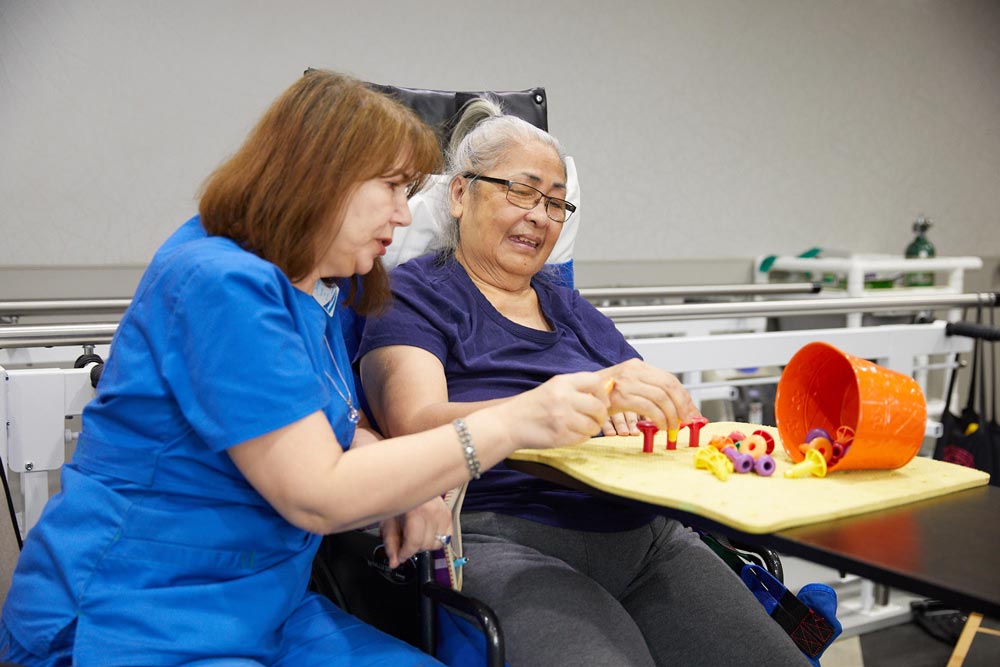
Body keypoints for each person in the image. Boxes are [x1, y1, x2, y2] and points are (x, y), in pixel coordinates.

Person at [0, 71, 676, 667]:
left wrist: (406, 479)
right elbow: (316, 492)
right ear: (318, 176)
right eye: (391, 187)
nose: (408, 214)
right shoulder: (217, 283)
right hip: (142, 612)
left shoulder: (320, 288)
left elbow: (334, 419)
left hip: (267, 603)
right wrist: (512, 422)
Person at [358, 97, 813, 666]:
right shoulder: (413, 295)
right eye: (521, 191)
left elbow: (653, 405)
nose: (540, 216)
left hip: (646, 538)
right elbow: (412, 423)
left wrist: (638, 410)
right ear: (458, 194)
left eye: (555, 203)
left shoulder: (573, 310)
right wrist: (557, 408)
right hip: (505, 535)